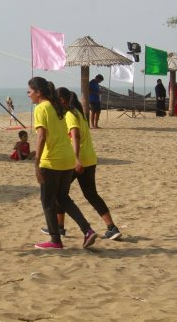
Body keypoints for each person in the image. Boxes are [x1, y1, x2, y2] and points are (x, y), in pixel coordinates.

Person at [40, 87, 122, 240]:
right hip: (90, 158)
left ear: (62, 100)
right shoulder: (79, 113)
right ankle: (112, 227)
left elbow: (75, 136)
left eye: (56, 101)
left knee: (60, 194)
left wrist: (76, 158)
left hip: (77, 160)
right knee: (90, 194)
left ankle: (60, 227)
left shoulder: (70, 115)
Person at [28, 77, 97, 250]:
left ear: (38, 92)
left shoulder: (40, 108)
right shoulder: (57, 106)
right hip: (67, 159)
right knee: (63, 198)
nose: (28, 95)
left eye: (30, 91)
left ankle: (55, 240)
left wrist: (36, 163)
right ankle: (87, 230)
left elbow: (41, 136)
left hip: (52, 161)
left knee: (47, 201)